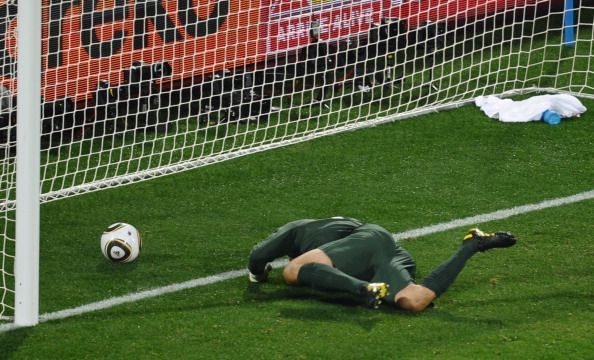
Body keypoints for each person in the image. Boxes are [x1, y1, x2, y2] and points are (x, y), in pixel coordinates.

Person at [248, 217, 516, 311]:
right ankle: (472, 244)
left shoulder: (298, 229)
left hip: (368, 241)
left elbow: (257, 258)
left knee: (292, 271)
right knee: (413, 301)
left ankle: (363, 289)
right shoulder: (325, 232)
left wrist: (259, 275)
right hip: (391, 255)